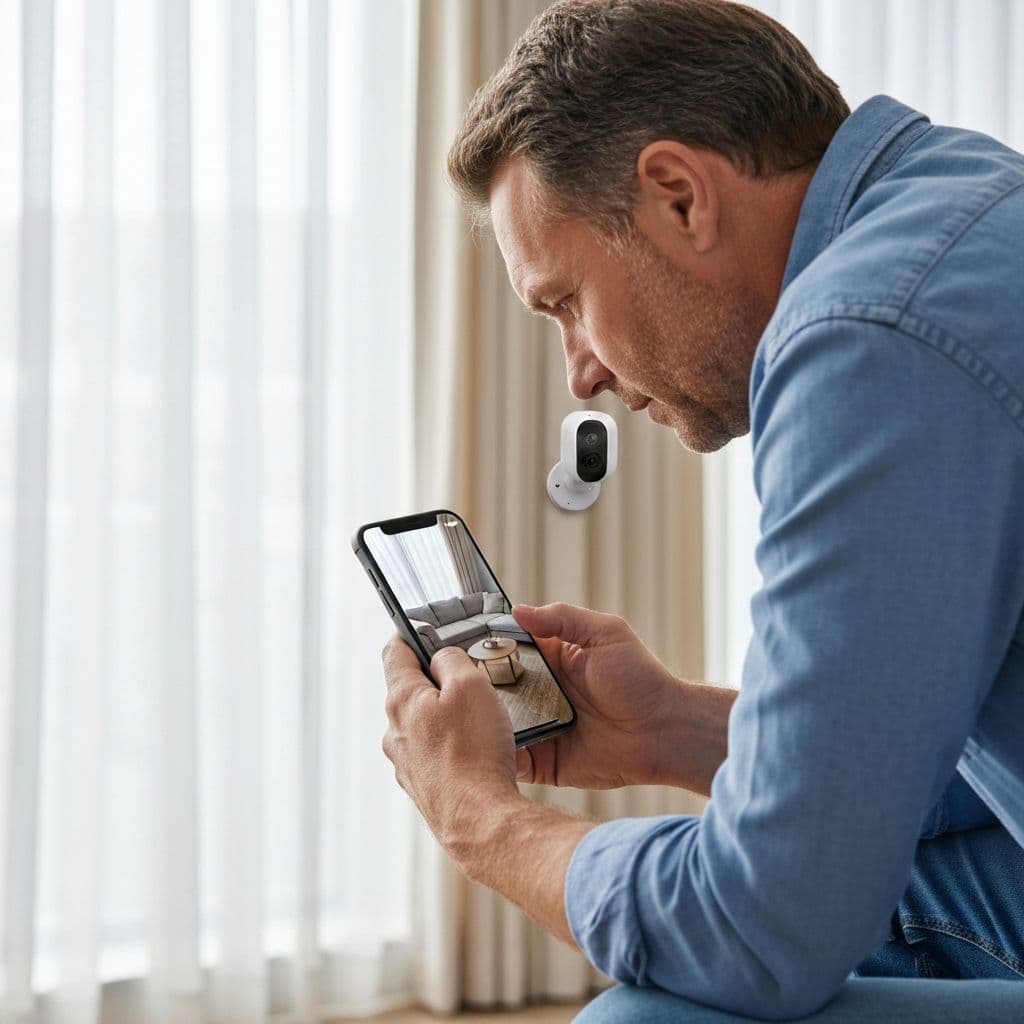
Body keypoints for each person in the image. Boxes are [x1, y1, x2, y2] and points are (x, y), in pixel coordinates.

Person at [380, 1, 1024, 1019]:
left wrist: (476, 817)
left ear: (679, 195)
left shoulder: (868, 339)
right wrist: (673, 730)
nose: (578, 375)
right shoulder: (961, 204)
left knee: (649, 1017)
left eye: (565, 302)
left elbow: (761, 930)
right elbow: (921, 768)